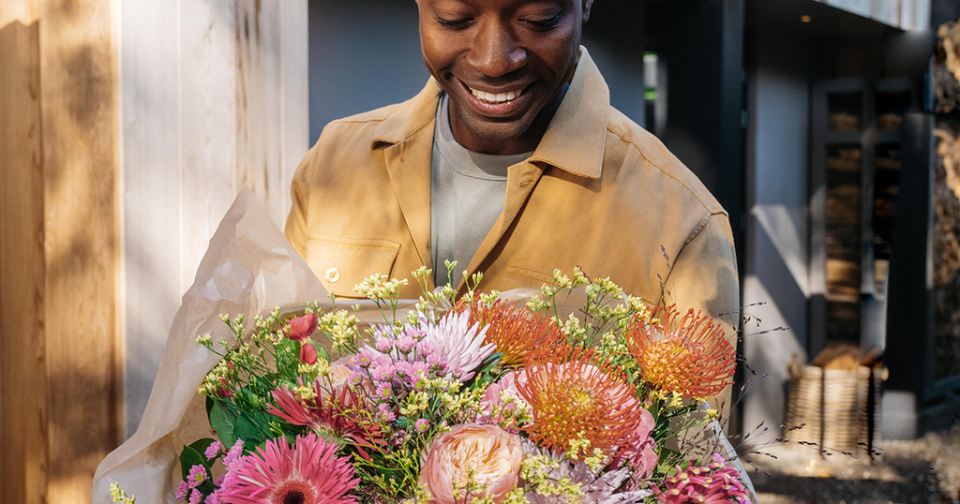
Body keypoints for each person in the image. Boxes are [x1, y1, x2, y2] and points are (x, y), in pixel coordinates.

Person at [284, 0, 739, 412]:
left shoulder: (683, 222)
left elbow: (692, 469)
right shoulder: (333, 163)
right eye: (454, 20)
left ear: (585, 5)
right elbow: (277, 382)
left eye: (538, 20)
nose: (494, 61)